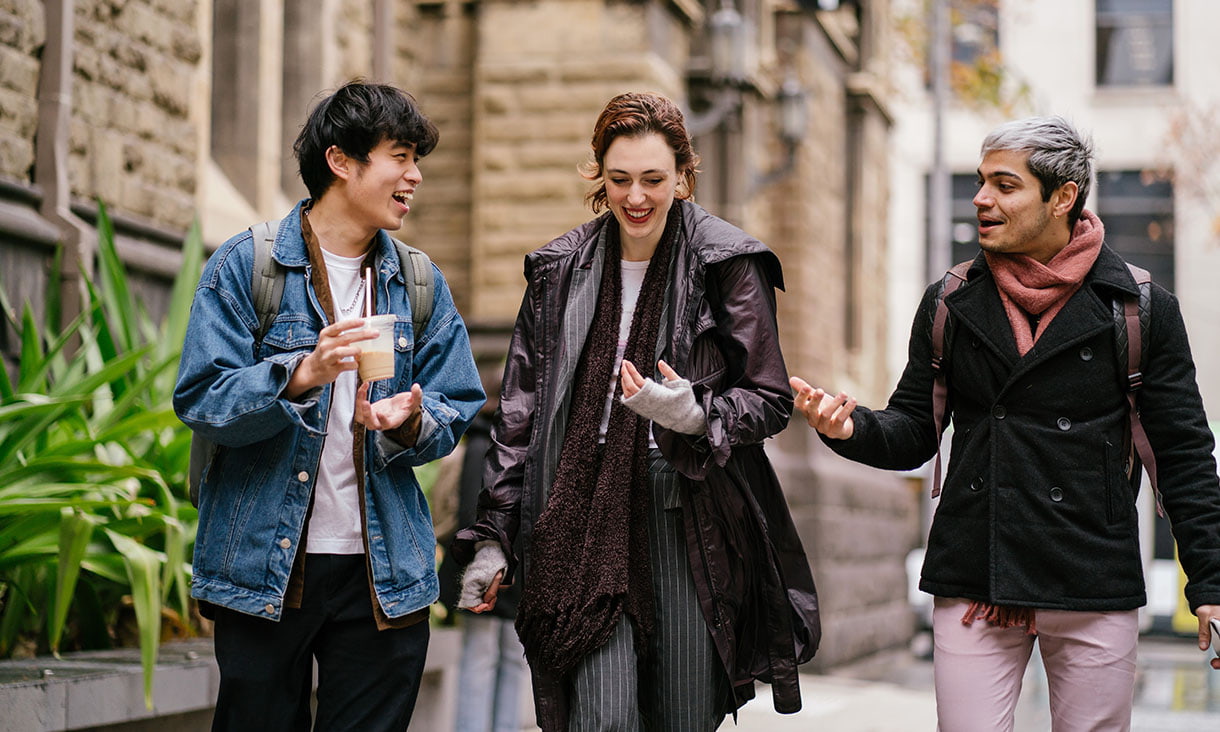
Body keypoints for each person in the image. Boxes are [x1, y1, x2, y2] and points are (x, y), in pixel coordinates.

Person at [791, 115, 1220, 731]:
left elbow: (1183, 456)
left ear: (1062, 197)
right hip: (976, 574)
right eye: (980, 181)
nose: (981, 200)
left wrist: (1210, 580)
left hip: (1090, 574)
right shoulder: (950, 301)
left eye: (1004, 185)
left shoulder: (1140, 309)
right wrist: (849, 427)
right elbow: (914, 428)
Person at [452, 91, 820, 732]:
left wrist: (695, 413)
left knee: (681, 714)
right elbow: (520, 414)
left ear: (683, 174)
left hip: (686, 510)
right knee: (603, 716)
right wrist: (494, 536)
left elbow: (768, 397)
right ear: (597, 174)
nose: (637, 197)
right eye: (620, 179)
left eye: (653, 179)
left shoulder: (726, 263)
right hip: (582, 514)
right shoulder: (558, 270)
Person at [173, 80, 484, 731]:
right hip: (265, 573)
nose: (416, 175)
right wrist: (300, 374)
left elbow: (457, 403)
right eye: (400, 156)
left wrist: (410, 421)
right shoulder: (245, 266)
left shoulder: (418, 282)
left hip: (384, 575)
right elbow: (202, 397)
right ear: (342, 161)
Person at [436, 354, 528, 732]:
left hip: (489, 568)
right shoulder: (503, 446)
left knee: (488, 657)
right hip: (505, 568)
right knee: (501, 657)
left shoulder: (472, 444)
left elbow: (450, 512)